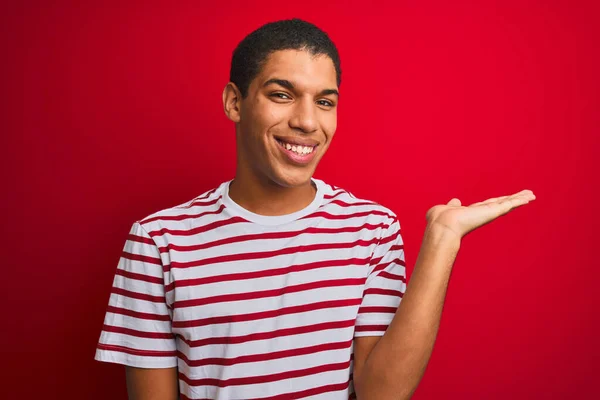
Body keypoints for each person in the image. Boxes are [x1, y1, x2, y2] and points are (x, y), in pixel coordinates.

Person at [95, 18, 535, 400]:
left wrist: (441, 241)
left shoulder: (372, 229)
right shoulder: (158, 241)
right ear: (235, 102)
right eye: (282, 94)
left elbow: (381, 393)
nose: (308, 122)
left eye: (325, 102)